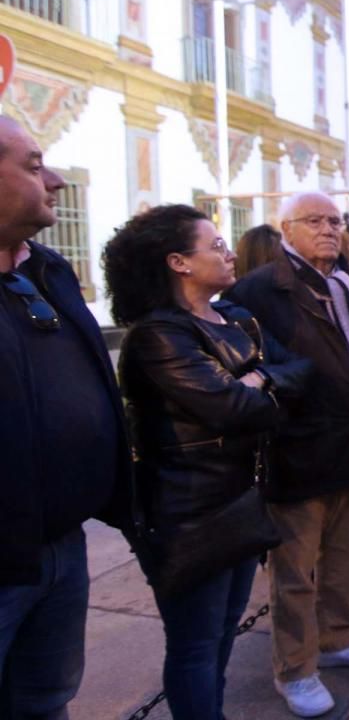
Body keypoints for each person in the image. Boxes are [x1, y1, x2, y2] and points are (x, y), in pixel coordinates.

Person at [104, 205, 311, 720]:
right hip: (190, 513)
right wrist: (260, 383)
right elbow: (233, 408)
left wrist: (256, 380)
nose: (228, 252)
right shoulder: (159, 336)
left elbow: (299, 372)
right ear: (178, 262)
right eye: (215, 245)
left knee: (222, 635)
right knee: (196, 644)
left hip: (242, 501)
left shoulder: (234, 318)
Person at [225, 192, 349, 717]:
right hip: (299, 451)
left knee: (345, 561)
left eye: (334, 221)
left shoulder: (346, 280)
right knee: (295, 572)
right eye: (313, 220)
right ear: (286, 229)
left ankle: (339, 638)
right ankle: (294, 669)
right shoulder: (259, 290)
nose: (327, 229)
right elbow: (247, 369)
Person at [0, 118, 130, 719]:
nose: (54, 180)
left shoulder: (48, 271)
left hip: (62, 547)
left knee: (47, 701)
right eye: (33, 165)